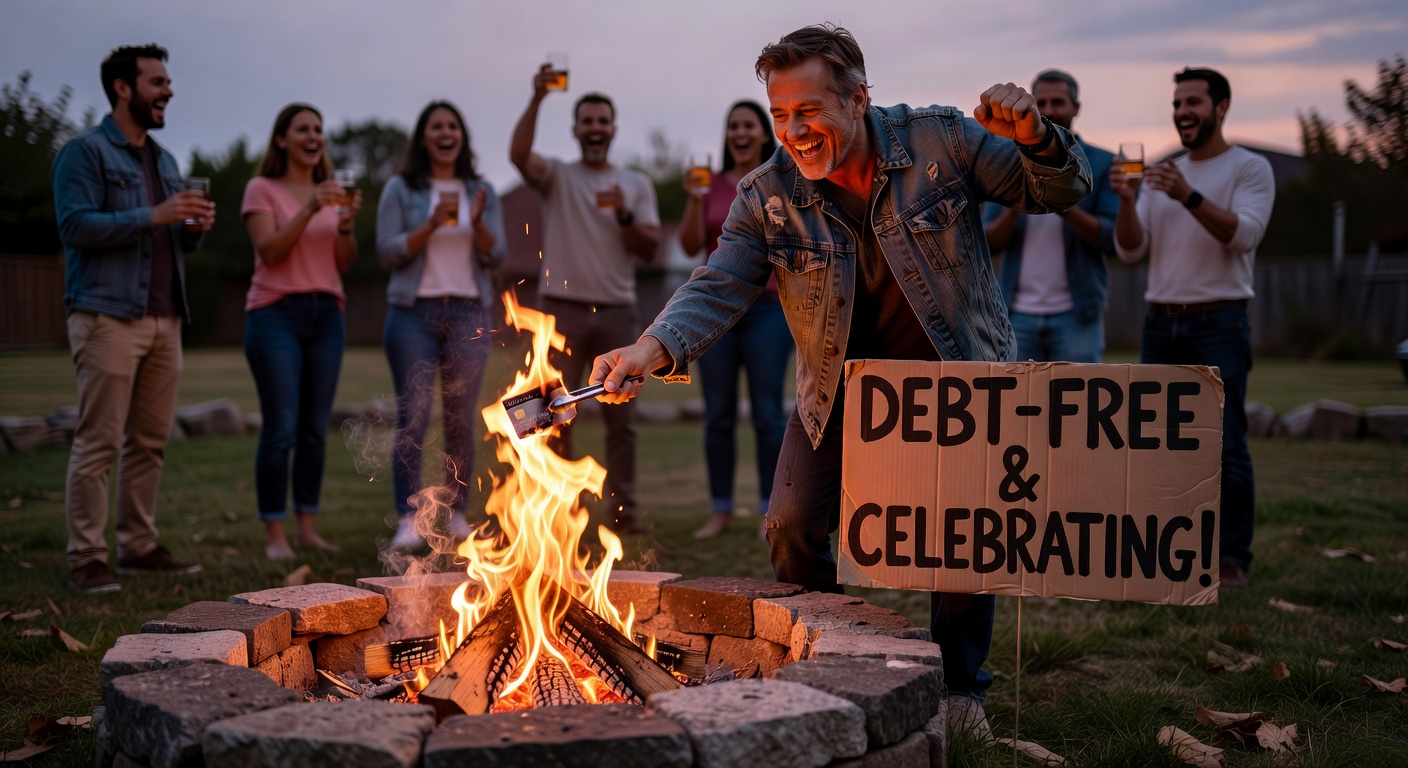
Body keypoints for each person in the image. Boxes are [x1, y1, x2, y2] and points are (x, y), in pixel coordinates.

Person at [589, 24, 1090, 736]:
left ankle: (960, 689)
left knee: (963, 538)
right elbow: (719, 282)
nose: (793, 130)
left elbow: (1061, 188)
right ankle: (826, 656)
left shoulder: (941, 140)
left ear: (858, 98)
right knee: (790, 524)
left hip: (960, 385)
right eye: (780, 114)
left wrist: (1037, 134)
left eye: (809, 110)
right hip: (839, 392)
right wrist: (650, 346)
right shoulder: (766, 194)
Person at [52, 43, 212, 594]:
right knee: (99, 439)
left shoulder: (165, 161)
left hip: (165, 318)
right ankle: (87, 558)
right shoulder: (85, 152)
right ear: (123, 88)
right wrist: (156, 214)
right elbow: (74, 227)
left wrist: (188, 229)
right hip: (107, 315)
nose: (167, 90)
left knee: (149, 441)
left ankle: (139, 546)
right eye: (156, 81)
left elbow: (169, 238)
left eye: (167, 81)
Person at [1112, 67, 1275, 589]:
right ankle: (1169, 552)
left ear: (1221, 107)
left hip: (1219, 322)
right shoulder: (1161, 174)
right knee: (1159, 444)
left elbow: (1245, 236)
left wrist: (1187, 195)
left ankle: (1231, 559)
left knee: (1225, 444)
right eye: (1178, 103)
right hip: (1161, 321)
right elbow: (1131, 250)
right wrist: (1125, 201)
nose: (1183, 112)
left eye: (1194, 103)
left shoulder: (1249, 169)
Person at [509, 66, 661, 535]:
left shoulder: (635, 184)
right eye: (587, 122)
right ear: (576, 130)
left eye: (603, 121)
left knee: (624, 422)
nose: (595, 129)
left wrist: (624, 213)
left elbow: (650, 247)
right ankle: (554, 510)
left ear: (613, 129)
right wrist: (536, 98)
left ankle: (624, 515)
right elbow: (517, 156)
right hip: (561, 309)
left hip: (618, 311)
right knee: (552, 414)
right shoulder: (557, 175)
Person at [377, 101, 507, 550]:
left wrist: (476, 217)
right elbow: (387, 251)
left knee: (459, 419)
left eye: (453, 125)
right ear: (424, 136)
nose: (445, 132)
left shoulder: (482, 189)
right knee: (413, 416)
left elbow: (496, 255)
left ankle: (455, 513)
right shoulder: (400, 188)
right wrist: (432, 222)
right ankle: (409, 517)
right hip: (413, 312)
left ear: (462, 136)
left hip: (468, 312)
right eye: (437, 126)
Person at [241, 103, 360, 560]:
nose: (314, 136)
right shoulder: (262, 188)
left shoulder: (329, 194)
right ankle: (275, 536)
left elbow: (344, 262)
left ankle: (307, 528)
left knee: (313, 428)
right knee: (281, 427)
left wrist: (345, 223)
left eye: (319, 130)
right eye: (303, 129)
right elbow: (270, 251)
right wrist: (312, 207)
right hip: (275, 315)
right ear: (281, 139)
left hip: (326, 314)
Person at [679, 100, 792, 540]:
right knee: (718, 415)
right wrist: (692, 201)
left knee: (767, 413)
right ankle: (720, 511)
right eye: (733, 127)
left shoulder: (777, 182)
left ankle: (770, 512)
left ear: (764, 134)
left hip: (767, 309)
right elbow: (691, 246)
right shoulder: (710, 188)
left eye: (748, 126)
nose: (740, 133)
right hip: (718, 315)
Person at [983, 69, 1118, 363]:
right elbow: (988, 240)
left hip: (1078, 313)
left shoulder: (1103, 162)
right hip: (1015, 312)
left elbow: (1110, 239)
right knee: (1018, 404)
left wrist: (1058, 192)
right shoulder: (1007, 158)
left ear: (1076, 108)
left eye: (1058, 102)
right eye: (1041, 103)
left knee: (1080, 403)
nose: (1049, 111)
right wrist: (1016, 195)